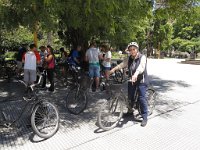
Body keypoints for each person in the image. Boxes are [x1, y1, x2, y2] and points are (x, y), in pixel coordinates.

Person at [109, 42, 149, 127]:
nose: (132, 51)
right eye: (130, 50)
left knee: (142, 98)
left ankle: (145, 116)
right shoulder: (129, 58)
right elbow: (122, 64)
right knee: (130, 96)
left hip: (141, 80)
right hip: (132, 80)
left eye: (133, 49)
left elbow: (141, 67)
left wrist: (135, 74)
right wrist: (113, 69)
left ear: (137, 49)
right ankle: (130, 111)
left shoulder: (142, 57)